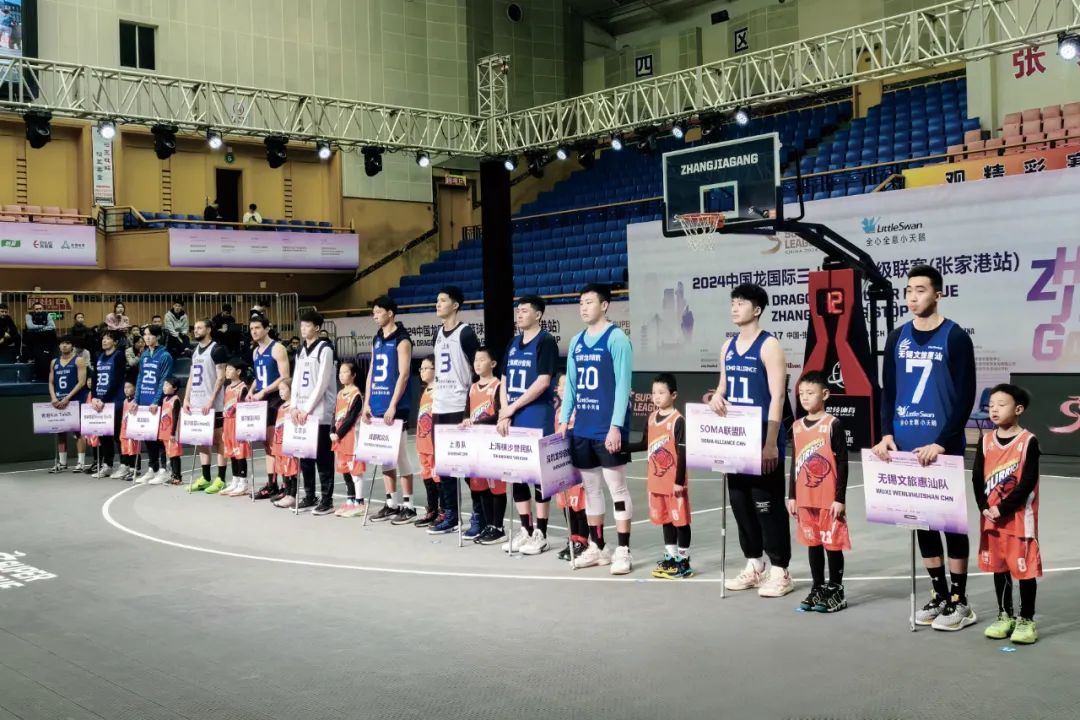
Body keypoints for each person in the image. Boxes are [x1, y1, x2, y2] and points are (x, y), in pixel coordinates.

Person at [872, 264, 976, 630]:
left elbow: (965, 397)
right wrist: (886, 433)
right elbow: (888, 392)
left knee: (951, 523)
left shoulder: (955, 337)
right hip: (905, 446)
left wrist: (943, 442)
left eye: (921, 290)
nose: (913, 297)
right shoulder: (897, 337)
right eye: (909, 290)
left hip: (942, 447)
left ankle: (960, 601)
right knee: (922, 522)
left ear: (938, 294)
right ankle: (939, 594)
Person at [709, 283, 793, 597]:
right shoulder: (727, 346)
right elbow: (723, 386)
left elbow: (778, 396)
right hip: (736, 442)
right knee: (741, 505)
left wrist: (771, 443)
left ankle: (781, 570)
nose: (734, 307)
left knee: (767, 507)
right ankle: (755, 565)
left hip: (761, 440)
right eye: (733, 302)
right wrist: (716, 397)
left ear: (756, 309)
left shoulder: (769, 345)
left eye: (741, 303)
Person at [562, 284, 635, 574]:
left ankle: (624, 549)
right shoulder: (576, 341)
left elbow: (623, 386)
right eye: (581, 302)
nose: (583, 307)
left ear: (604, 305)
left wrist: (616, 426)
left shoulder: (617, 339)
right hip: (582, 428)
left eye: (589, 302)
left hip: (607, 429)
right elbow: (570, 384)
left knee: (617, 488)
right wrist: (564, 420)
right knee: (591, 489)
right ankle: (598, 546)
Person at [973, 384, 1041, 645]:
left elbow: (1027, 483)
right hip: (991, 519)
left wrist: (1001, 508)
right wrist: (983, 506)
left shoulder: (1028, 441)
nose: (994, 409)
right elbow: (977, 477)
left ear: (1018, 409)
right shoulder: (985, 441)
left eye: (1001, 405)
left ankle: (1026, 619)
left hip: (1018, 520)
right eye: (991, 405)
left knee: (1024, 571)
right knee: (999, 568)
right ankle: (1005, 615)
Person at [497, 295, 559, 554]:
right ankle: (526, 528)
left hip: (536, 415)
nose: (519, 314)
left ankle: (541, 533)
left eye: (524, 310)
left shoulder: (546, 341)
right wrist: (504, 412)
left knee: (539, 475)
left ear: (538, 314)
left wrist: (512, 408)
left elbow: (543, 381)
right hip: (513, 416)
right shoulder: (513, 343)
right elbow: (503, 379)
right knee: (517, 474)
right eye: (518, 310)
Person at [787, 371, 850, 612]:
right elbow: (794, 463)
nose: (804, 397)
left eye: (810, 393)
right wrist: (792, 495)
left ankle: (836, 589)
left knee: (832, 544)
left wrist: (839, 498)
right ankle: (818, 587)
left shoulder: (833, 425)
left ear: (824, 394)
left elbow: (842, 463)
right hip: (805, 498)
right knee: (812, 543)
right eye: (801, 393)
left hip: (828, 498)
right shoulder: (796, 426)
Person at [628, 373, 692, 579]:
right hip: (656, 482)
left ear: (673, 395)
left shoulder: (678, 420)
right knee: (666, 520)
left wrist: (679, 482)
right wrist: (621, 448)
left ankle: (684, 561)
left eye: (661, 392)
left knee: (681, 522)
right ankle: (671, 557)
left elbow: (683, 453)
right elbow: (643, 444)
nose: (656, 396)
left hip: (674, 483)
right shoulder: (651, 418)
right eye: (654, 392)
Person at [427, 286, 479, 534]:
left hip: (459, 405)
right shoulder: (437, 333)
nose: (438, 304)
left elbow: (478, 369)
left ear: (455, 305)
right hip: (440, 405)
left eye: (443, 300)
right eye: (437, 300)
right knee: (444, 465)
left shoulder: (465, 333)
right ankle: (451, 514)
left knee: (466, 465)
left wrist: (470, 408)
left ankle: (479, 514)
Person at [362, 296, 417, 523]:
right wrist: (366, 402)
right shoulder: (377, 339)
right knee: (384, 457)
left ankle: (409, 505)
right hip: (376, 404)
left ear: (390, 313)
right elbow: (372, 371)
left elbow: (404, 375)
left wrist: (393, 405)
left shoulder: (402, 340)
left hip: (396, 406)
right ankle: (391, 503)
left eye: (378, 312)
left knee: (400, 456)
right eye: (373, 312)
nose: (374, 316)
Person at [292, 310, 338, 514]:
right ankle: (310, 495)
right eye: (302, 325)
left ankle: (327, 500)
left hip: (319, 413)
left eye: (307, 325)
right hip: (302, 411)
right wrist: (293, 406)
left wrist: (307, 408)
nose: (303, 328)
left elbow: (322, 383)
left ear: (317, 328)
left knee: (323, 457)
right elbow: (295, 380)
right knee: (305, 457)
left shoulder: (325, 349)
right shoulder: (300, 350)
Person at [459, 347, 506, 542]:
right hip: (475, 445)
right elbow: (467, 412)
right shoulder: (472, 388)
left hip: (492, 444)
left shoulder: (498, 386)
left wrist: (478, 423)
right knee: (480, 486)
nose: (477, 363)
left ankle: (498, 527)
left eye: (482, 360)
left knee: (496, 487)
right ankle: (487, 525)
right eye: (475, 360)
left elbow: (499, 414)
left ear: (493, 363)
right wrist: (466, 420)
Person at [184, 319, 230, 493]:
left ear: (209, 329)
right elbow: (191, 376)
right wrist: (186, 398)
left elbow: (221, 377)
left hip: (213, 404)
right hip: (196, 403)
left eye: (199, 327)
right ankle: (205, 477)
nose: (196, 330)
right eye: (195, 328)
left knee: (219, 440)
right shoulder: (195, 351)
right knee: (202, 440)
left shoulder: (217, 349)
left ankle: (221, 479)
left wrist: (211, 399)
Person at [249, 314, 291, 500]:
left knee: (276, 443)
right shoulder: (255, 351)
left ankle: (285, 483)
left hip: (275, 398)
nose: (254, 331)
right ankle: (271, 484)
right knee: (267, 443)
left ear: (266, 329)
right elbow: (259, 376)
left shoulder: (277, 348)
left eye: (257, 328)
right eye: (252, 329)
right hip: (261, 398)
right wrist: (252, 390)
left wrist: (264, 391)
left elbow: (285, 376)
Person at [554, 373, 588, 561]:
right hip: (563, 466)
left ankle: (583, 540)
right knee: (566, 505)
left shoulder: (580, 410)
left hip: (579, 467)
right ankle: (572, 538)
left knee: (580, 506)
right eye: (560, 385)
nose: (561, 388)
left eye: (566, 385)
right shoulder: (558, 411)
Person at [133, 325, 173, 484]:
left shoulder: (165, 355)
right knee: (147, 436)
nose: (147, 337)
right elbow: (140, 378)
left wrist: (156, 401)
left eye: (150, 335)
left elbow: (164, 380)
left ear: (158, 337)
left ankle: (164, 470)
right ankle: (152, 468)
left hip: (157, 403)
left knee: (159, 437)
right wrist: (136, 399)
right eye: (145, 335)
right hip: (144, 401)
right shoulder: (143, 355)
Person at [47, 335, 89, 473]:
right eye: (62, 343)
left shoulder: (78, 360)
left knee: (79, 431)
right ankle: (62, 462)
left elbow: (81, 382)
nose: (64, 345)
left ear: (72, 346)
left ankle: (81, 462)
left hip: (75, 400)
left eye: (67, 343)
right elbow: (51, 382)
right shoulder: (54, 362)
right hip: (59, 401)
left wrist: (68, 398)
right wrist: (54, 398)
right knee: (60, 431)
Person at [331, 361, 367, 517]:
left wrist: (338, 433)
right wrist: (332, 430)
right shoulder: (340, 394)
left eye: (345, 372)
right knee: (344, 470)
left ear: (353, 375)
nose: (341, 375)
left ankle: (359, 503)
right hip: (340, 440)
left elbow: (351, 418)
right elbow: (334, 414)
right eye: (340, 372)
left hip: (352, 439)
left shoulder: (356, 395)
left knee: (355, 471)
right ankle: (350, 500)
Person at [90, 330, 128, 479]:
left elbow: (116, 380)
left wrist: (103, 399)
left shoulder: (118, 355)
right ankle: (108, 465)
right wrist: (94, 397)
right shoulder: (99, 356)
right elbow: (94, 378)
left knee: (118, 435)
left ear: (115, 342)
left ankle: (124, 465)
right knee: (103, 434)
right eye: (103, 338)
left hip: (114, 401)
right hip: (100, 401)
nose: (104, 341)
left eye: (108, 338)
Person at [217, 357, 254, 496]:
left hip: (238, 424)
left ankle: (243, 483)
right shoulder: (227, 387)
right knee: (231, 453)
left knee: (240, 454)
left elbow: (244, 410)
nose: (226, 371)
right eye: (226, 369)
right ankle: (235, 480)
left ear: (238, 371)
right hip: (227, 423)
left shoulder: (242, 388)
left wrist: (245, 429)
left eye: (230, 369)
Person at [413, 358, 440, 527]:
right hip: (422, 442)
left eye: (426, 368)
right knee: (427, 478)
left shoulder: (439, 391)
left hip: (433, 444)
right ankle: (432, 509)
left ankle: (444, 511)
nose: (422, 372)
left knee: (438, 480)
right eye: (421, 369)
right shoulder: (425, 391)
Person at [271, 383, 302, 509]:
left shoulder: (294, 408)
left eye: (283, 389)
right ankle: (287, 493)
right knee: (283, 470)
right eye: (279, 389)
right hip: (279, 443)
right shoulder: (281, 406)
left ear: (291, 390)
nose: (280, 392)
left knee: (292, 470)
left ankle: (292, 495)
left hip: (289, 443)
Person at [148, 377, 184, 486]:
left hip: (172, 433)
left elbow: (176, 418)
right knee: (170, 454)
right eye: (164, 385)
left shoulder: (176, 400)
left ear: (175, 388)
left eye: (167, 385)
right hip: (164, 431)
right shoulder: (164, 400)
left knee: (174, 455)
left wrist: (173, 433)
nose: (164, 387)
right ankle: (173, 475)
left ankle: (177, 477)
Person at [114, 380, 140, 480]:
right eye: (125, 387)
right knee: (126, 451)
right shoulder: (125, 401)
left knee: (133, 450)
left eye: (129, 387)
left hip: (132, 430)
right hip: (124, 430)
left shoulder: (136, 402)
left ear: (135, 388)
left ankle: (135, 469)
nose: (126, 390)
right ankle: (129, 469)